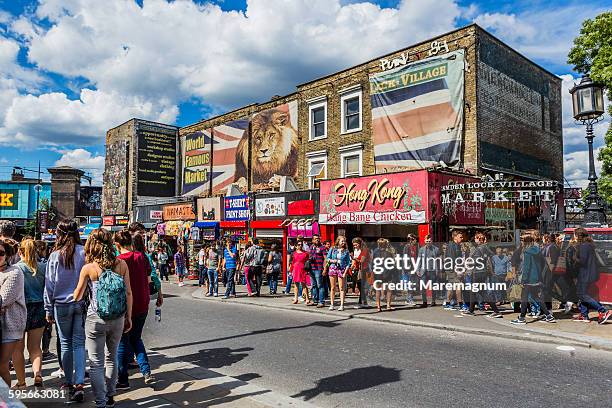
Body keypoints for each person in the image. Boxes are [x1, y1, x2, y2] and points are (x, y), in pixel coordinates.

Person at [73, 228, 133, 408]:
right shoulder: (121, 265)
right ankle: (110, 395)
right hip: (117, 318)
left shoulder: (89, 268)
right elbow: (129, 292)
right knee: (111, 357)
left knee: (96, 363)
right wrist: (128, 316)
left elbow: (77, 296)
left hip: (95, 319)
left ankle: (100, 401)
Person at [44, 220, 87, 401]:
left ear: (59, 234)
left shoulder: (54, 256)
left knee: (66, 343)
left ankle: (69, 381)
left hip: (60, 305)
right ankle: (79, 383)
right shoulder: (84, 252)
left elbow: (50, 285)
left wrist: (48, 308)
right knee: (79, 344)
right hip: (80, 304)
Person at [113, 230, 155, 388]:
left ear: (117, 244)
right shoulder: (141, 256)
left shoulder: (118, 260)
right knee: (136, 338)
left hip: (126, 305)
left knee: (123, 342)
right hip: (143, 303)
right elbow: (149, 278)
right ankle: (146, 371)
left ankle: (123, 379)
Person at [12, 239, 46, 389]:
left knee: (17, 349)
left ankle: (21, 382)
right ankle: (37, 374)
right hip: (39, 308)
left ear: (20, 252)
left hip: (20, 310)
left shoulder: (15, 269)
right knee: (35, 347)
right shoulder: (43, 267)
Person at [511, 234, 555, 324]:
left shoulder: (527, 252)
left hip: (529, 279)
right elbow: (543, 264)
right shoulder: (538, 251)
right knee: (536, 297)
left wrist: (523, 280)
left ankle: (522, 318)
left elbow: (527, 267)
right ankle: (548, 315)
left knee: (524, 298)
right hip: (537, 278)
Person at [0, 238, 26, 387]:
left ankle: (6, 401)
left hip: (10, 325)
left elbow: (3, 300)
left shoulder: (15, 272)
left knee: (2, 366)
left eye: (1, 253)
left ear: (7, 255)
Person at [572, 228, 611, 324]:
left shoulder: (584, 246)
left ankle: (603, 310)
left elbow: (583, 261)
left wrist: (575, 258)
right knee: (583, 294)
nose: (574, 237)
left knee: (582, 294)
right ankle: (584, 315)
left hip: (585, 274)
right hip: (589, 274)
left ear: (578, 236)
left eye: (574, 235)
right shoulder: (589, 245)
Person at [462, 232, 502, 318]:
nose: (475, 240)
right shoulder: (485, 247)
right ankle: (471, 310)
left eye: (476, 238)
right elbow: (491, 255)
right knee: (474, 292)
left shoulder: (478, 249)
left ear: (479, 239)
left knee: (482, 292)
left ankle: (496, 310)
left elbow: (475, 261)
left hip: (477, 273)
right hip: (482, 272)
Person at [327, 236, 351, 311]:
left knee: (341, 287)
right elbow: (328, 258)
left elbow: (348, 263)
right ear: (338, 241)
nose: (343, 242)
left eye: (344, 241)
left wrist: (345, 272)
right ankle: (332, 304)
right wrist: (333, 261)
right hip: (333, 268)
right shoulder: (333, 249)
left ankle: (342, 305)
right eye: (342, 241)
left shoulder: (346, 251)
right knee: (333, 287)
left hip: (342, 269)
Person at [416, 235, 440, 308]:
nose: (428, 242)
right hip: (424, 271)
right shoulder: (421, 249)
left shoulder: (436, 249)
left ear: (432, 241)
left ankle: (433, 301)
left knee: (433, 287)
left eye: (429, 241)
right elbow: (419, 260)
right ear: (424, 241)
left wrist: (438, 270)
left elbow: (438, 261)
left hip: (432, 270)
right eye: (427, 241)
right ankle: (424, 302)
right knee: (423, 287)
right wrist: (417, 270)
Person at [372, 238, 395, 312]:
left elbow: (373, 263)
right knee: (389, 289)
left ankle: (378, 306)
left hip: (379, 273)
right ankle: (388, 305)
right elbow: (392, 262)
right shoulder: (389, 252)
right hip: (387, 272)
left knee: (378, 290)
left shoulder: (375, 251)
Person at [444, 230, 465, 310]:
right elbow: (452, 259)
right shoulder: (452, 246)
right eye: (460, 237)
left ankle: (447, 303)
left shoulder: (457, 245)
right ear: (455, 237)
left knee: (451, 286)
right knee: (458, 285)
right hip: (452, 269)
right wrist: (457, 269)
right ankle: (460, 304)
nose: (462, 238)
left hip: (453, 268)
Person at [308, 235, 326, 307]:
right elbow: (309, 256)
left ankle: (321, 301)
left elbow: (325, 258)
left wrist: (324, 269)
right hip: (312, 268)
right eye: (315, 239)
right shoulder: (311, 247)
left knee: (320, 285)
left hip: (319, 268)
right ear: (312, 240)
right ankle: (315, 300)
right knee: (313, 285)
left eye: (318, 239)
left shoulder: (322, 247)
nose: (317, 240)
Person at [402, 234, 419, 306]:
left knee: (413, 283)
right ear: (411, 240)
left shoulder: (416, 247)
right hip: (409, 268)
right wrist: (406, 267)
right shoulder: (407, 247)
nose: (416, 240)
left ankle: (408, 298)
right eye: (414, 239)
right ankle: (409, 299)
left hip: (415, 267)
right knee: (411, 283)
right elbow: (405, 257)